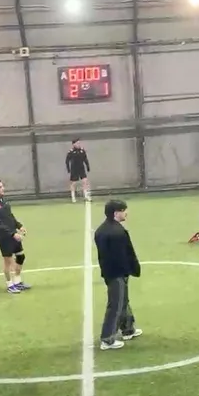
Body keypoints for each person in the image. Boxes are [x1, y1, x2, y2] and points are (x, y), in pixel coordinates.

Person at [94, 199, 142, 350]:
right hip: (117, 273)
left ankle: (128, 329)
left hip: (109, 272)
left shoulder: (102, 229)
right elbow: (123, 255)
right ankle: (107, 339)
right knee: (116, 304)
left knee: (123, 301)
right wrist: (130, 270)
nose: (126, 213)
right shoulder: (117, 232)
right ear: (116, 213)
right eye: (123, 210)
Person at [0, 179, 30, 294]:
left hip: (13, 233)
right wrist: (12, 234)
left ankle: (17, 281)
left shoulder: (3, 200)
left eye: (2, 186)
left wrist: (19, 226)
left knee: (20, 256)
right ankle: (10, 284)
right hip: (4, 237)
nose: (2, 188)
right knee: (8, 261)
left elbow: (10, 216)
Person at [66, 138, 91, 203]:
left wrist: (87, 166)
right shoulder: (71, 151)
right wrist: (68, 169)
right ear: (73, 144)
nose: (78, 144)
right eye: (77, 143)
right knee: (73, 183)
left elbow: (85, 159)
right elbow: (67, 161)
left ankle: (86, 196)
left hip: (81, 168)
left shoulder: (82, 150)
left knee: (85, 181)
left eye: (79, 143)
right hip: (74, 169)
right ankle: (73, 197)